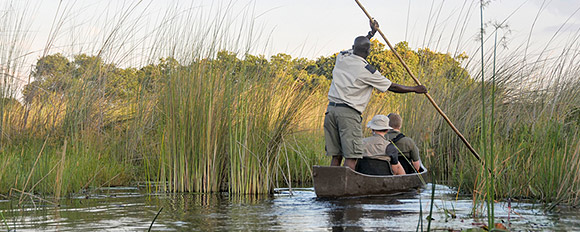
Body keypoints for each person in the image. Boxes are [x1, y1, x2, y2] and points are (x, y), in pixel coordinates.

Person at [324, 19, 428, 170]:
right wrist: (414, 89)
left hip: (330, 111)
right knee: (352, 155)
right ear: (368, 52)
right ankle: (347, 191)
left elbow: (358, 46)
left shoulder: (342, 57)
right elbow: (392, 86)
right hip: (348, 114)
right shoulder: (366, 70)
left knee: (336, 155)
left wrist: (371, 33)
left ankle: (331, 187)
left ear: (353, 48)